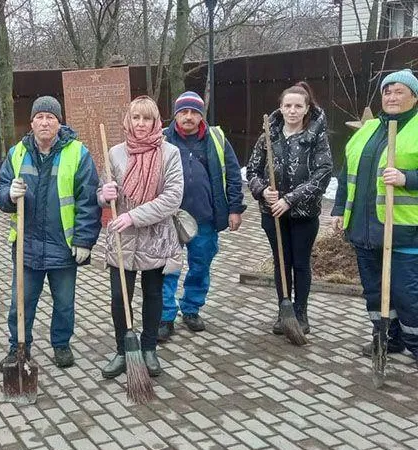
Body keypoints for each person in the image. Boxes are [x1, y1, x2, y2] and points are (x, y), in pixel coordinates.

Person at [0, 95, 101, 371]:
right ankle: (18, 346)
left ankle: (61, 344)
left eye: (50, 117)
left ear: (59, 122)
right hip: (26, 246)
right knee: (21, 303)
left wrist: (84, 240)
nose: (44, 122)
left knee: (64, 303)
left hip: (63, 246)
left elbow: (88, 200)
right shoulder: (17, 153)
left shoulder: (78, 153)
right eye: (39, 117)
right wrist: (8, 194)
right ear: (31, 123)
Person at [331, 69, 418, 366]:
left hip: (405, 230)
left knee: (407, 294)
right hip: (364, 229)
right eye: (387, 91)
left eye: (399, 91)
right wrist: (339, 210)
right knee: (374, 292)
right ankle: (387, 339)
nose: (392, 97)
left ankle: (415, 345)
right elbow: (347, 174)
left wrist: (408, 178)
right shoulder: (367, 129)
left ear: (414, 97)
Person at [97, 97, 183, 379]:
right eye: (136, 118)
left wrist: (135, 216)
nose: (141, 124)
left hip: (155, 237)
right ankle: (124, 350)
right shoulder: (115, 153)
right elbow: (102, 192)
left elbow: (172, 198)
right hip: (121, 241)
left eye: (147, 118)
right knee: (119, 297)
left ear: (156, 121)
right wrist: (105, 195)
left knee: (153, 294)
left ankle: (148, 349)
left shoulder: (169, 153)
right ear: (128, 120)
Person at [247, 82, 332, 335]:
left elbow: (323, 173)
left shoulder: (316, 137)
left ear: (307, 109)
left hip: (303, 214)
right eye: (288, 106)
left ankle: (301, 313)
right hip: (272, 212)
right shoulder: (268, 137)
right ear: (280, 108)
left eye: (298, 106)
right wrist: (263, 190)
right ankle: (284, 311)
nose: (292, 110)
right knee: (281, 262)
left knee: (300, 262)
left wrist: (290, 199)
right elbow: (251, 170)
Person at [159, 91, 246, 340]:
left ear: (201, 115)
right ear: (176, 115)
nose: (188, 117)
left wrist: (235, 209)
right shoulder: (162, 139)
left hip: (204, 219)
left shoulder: (215, 139)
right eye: (183, 112)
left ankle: (191, 308)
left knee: (200, 266)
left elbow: (233, 175)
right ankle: (165, 316)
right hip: (169, 219)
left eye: (194, 112)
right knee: (168, 268)